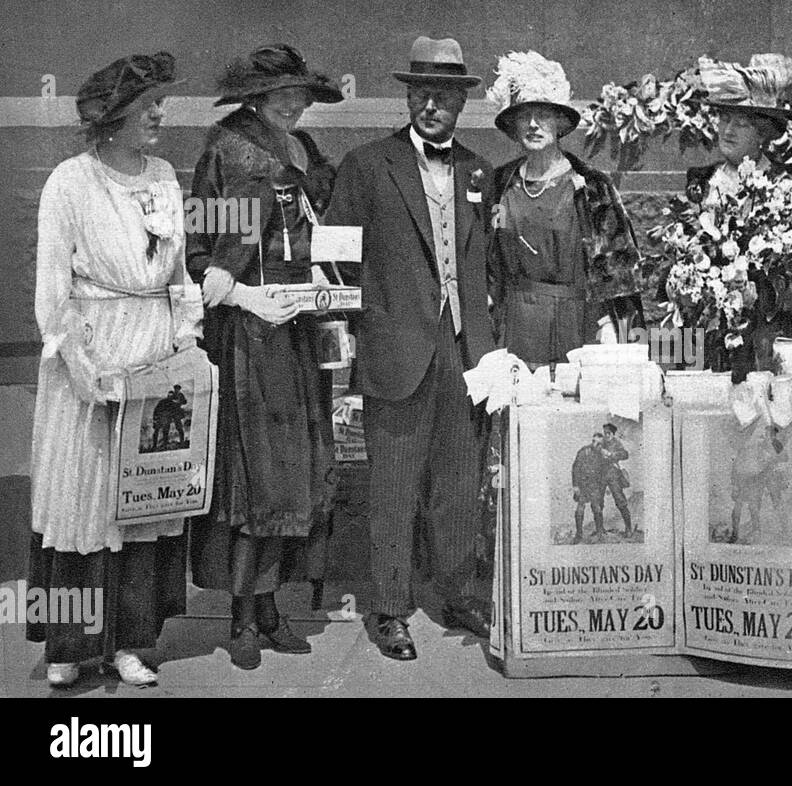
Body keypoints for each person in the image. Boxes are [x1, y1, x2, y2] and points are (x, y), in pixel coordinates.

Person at [28, 52, 197, 687]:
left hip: (154, 356)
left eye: (161, 100)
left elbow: (178, 277)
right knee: (86, 502)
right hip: (92, 361)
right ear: (111, 114)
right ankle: (68, 647)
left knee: (144, 501)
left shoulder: (164, 177)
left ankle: (130, 641)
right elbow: (52, 292)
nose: (160, 113)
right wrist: (82, 369)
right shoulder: (68, 182)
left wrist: (184, 340)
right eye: (148, 103)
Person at [325, 36, 496, 658]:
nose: (433, 104)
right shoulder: (368, 165)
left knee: (458, 482)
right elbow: (336, 264)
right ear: (407, 96)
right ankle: (391, 608)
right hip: (396, 348)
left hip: (465, 349)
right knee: (393, 486)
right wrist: (362, 333)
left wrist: (490, 345)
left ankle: (455, 594)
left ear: (461, 102)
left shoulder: (479, 170)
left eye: (445, 94)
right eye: (422, 93)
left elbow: (488, 265)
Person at [186, 44, 343, 671]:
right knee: (252, 475)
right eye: (283, 92)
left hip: (301, 329)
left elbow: (328, 234)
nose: (296, 102)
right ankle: (242, 618)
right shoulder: (224, 154)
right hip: (249, 338)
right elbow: (199, 255)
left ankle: (274, 608)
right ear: (254, 97)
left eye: (301, 92)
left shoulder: (306, 155)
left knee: (295, 469)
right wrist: (247, 296)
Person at [486, 50, 643, 367]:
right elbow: (488, 266)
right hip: (515, 328)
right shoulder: (499, 183)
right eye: (523, 116)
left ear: (559, 124)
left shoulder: (592, 185)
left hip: (577, 326)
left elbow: (621, 274)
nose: (533, 124)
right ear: (513, 126)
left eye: (543, 115)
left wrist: (622, 338)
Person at [686, 53, 792, 379]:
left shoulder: (787, 187)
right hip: (710, 338)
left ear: (762, 134)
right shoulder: (701, 183)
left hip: (765, 339)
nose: (727, 131)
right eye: (724, 120)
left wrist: (755, 292)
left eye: (740, 123)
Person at [598, 423, 634, 537]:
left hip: (613, 475)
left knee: (620, 501)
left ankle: (628, 528)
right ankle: (600, 529)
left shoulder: (617, 443)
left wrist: (611, 454)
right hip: (601, 475)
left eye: (609, 433)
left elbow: (625, 454)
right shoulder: (600, 443)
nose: (606, 435)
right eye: (605, 433)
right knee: (598, 502)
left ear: (613, 434)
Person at [571, 433, 608, 543]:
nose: (597, 445)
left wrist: (603, 486)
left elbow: (604, 471)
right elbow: (575, 469)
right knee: (580, 509)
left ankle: (600, 532)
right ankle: (579, 534)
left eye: (600, 444)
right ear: (592, 441)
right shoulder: (583, 452)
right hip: (582, 485)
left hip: (595, 485)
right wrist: (576, 486)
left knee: (597, 508)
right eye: (595, 442)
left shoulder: (601, 454)